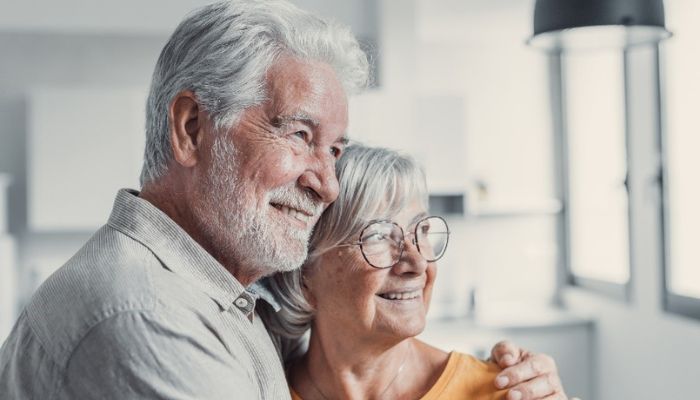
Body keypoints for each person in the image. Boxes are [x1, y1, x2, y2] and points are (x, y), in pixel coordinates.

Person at [0, 1, 567, 399]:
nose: (327, 182)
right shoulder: (148, 318)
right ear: (193, 128)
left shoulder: (223, 301)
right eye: (299, 135)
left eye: (335, 150)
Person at [262, 144, 568, 400]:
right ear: (303, 270)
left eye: (421, 230)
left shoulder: (502, 391)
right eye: (378, 234)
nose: (418, 262)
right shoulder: (260, 391)